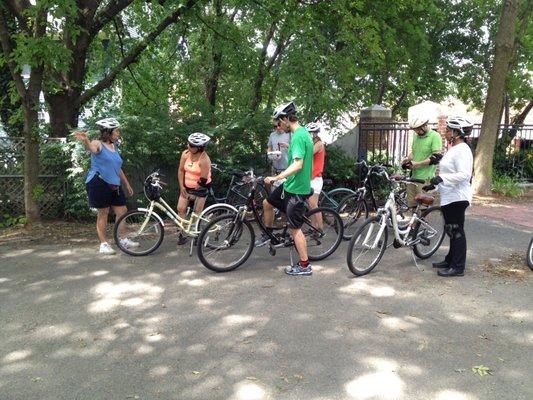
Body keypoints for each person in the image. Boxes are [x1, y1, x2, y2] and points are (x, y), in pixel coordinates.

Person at [256, 101, 314, 276]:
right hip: (290, 186)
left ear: (286, 119)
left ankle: (305, 266)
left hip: (296, 189)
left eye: (279, 123)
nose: (278, 126)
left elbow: (298, 165)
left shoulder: (297, 136)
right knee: (267, 202)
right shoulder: (302, 133)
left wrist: (276, 177)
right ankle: (269, 233)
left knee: (294, 228)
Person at [75, 118, 137, 254]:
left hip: (115, 184)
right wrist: (86, 140)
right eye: (116, 131)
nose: (118, 133)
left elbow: (118, 168)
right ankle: (103, 244)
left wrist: (127, 184)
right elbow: (91, 149)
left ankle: (122, 239)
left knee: (122, 211)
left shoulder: (115, 147)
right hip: (99, 182)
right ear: (108, 132)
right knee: (103, 212)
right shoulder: (98, 143)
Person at [422, 116, 474, 277]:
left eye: (449, 130)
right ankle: (450, 259)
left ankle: (458, 267)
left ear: (457, 133)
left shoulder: (463, 150)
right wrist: (435, 184)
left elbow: (464, 175)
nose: (446, 132)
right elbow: (448, 172)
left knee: (456, 230)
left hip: (457, 197)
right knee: (451, 229)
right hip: (449, 196)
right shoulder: (455, 148)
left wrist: (442, 179)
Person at [176, 132, 212, 245]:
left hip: (201, 187)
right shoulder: (185, 154)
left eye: (191, 145)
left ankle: (197, 234)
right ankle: (182, 234)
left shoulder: (204, 159)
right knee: (181, 209)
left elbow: (203, 179)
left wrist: (194, 193)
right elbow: (181, 170)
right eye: (188, 144)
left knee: (196, 212)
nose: (188, 146)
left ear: (199, 148)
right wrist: (182, 187)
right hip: (186, 185)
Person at [402, 117, 443, 209]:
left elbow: (436, 158)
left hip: (425, 178)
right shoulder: (416, 136)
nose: (416, 132)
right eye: (414, 130)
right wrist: (407, 159)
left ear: (424, 126)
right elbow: (414, 153)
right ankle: (414, 223)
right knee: (412, 205)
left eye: (417, 130)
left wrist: (418, 164)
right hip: (413, 176)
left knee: (422, 207)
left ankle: (421, 223)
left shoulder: (434, 136)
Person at [306, 122, 326, 228]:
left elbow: (308, 153)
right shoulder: (312, 142)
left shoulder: (318, 144)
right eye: (308, 132)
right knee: (311, 206)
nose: (310, 134)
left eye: (312, 132)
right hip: (310, 177)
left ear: (316, 133)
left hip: (316, 179)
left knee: (314, 205)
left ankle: (321, 229)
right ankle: (313, 227)